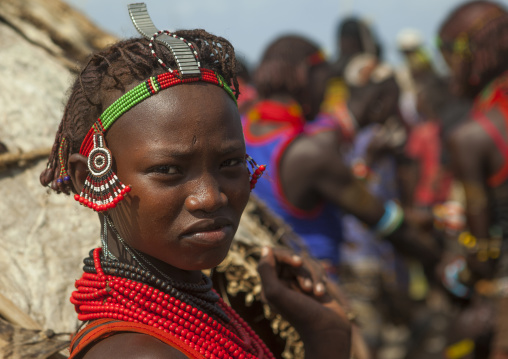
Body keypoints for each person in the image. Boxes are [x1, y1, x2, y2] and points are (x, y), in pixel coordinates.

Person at [39, 4, 351, 358]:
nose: (211, 197)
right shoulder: (138, 354)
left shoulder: (206, 312)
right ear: (88, 176)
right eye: (169, 170)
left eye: (230, 163)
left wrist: (325, 333)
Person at [245, 35, 440, 279]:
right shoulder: (309, 151)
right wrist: (442, 264)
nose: (326, 93)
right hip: (314, 290)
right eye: (325, 80)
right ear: (306, 73)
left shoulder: (238, 132)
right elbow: (383, 221)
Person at [438, 1, 508, 357]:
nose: (449, 68)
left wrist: (457, 270)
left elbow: (484, 255)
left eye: (449, 54)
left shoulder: (473, 136)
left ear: (473, 53)